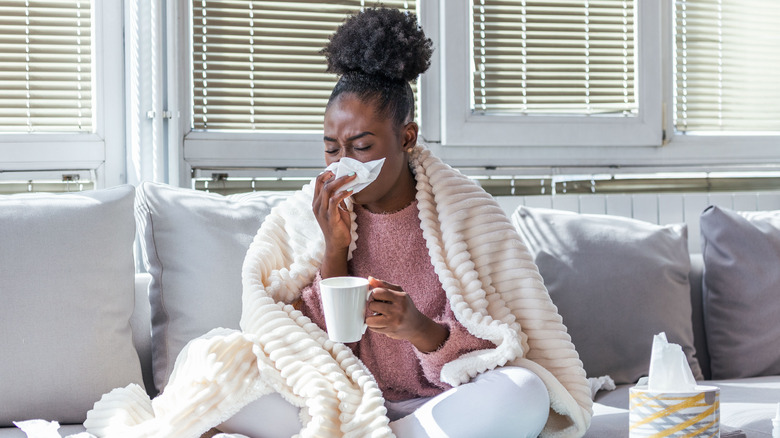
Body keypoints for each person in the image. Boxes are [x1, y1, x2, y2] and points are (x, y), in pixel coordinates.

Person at [84, 7, 592, 438]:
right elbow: (301, 341)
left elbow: (502, 342)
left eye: (362, 147)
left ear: (407, 137)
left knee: (524, 393)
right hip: (337, 389)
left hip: (438, 398)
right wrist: (333, 250)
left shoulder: (465, 213)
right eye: (332, 148)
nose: (342, 162)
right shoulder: (312, 212)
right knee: (215, 372)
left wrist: (420, 330)